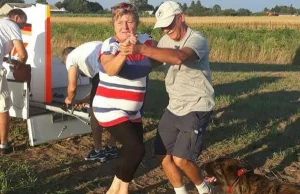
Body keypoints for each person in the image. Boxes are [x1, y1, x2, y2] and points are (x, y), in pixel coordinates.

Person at [120, 1, 215, 194]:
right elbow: (151, 64)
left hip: (196, 105)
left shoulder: (196, 39)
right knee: (162, 155)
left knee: (182, 159)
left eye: (170, 24)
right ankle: (181, 191)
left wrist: (142, 49)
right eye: (163, 26)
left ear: (181, 17)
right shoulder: (164, 41)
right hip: (174, 107)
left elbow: (179, 57)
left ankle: (204, 189)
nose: (166, 29)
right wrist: (120, 64)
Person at [92, 2, 155, 194]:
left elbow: (160, 56)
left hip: (133, 110)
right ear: (113, 25)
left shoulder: (146, 40)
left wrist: (141, 48)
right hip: (108, 108)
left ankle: (113, 190)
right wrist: (124, 51)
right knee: (137, 150)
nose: (125, 27)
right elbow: (110, 69)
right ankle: (123, 191)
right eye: (120, 22)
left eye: (129, 22)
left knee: (132, 151)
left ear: (137, 23)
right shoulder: (109, 44)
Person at [61, 41, 117, 162]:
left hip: (104, 72)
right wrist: (82, 100)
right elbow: (96, 91)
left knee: (94, 114)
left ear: (65, 59)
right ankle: (112, 147)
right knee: (116, 111)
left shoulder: (70, 58)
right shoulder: (87, 52)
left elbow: (72, 87)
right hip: (118, 69)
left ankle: (98, 151)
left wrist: (69, 99)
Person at [0, 9, 28, 155]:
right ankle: (3, 145)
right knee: (3, 108)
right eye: (23, 24)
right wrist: (20, 65)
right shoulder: (12, 25)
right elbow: (23, 54)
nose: (22, 28)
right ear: (16, 18)